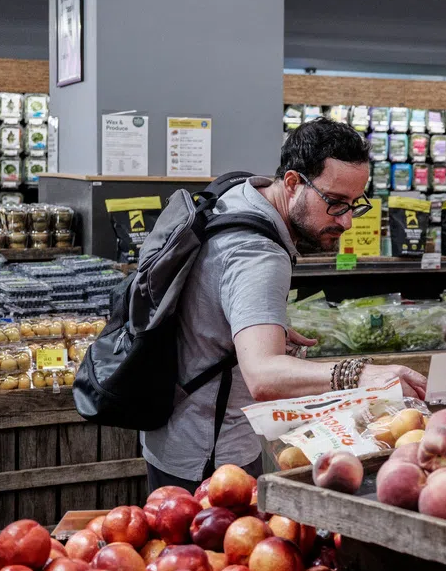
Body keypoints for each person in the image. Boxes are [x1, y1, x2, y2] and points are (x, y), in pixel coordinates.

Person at [141, 119, 427, 493]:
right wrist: (359, 375)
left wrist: (254, 327)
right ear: (292, 183)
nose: (345, 221)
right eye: (335, 203)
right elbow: (263, 376)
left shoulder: (238, 193)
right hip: (210, 454)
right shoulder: (259, 253)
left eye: (354, 205)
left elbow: (210, 289)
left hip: (175, 431)